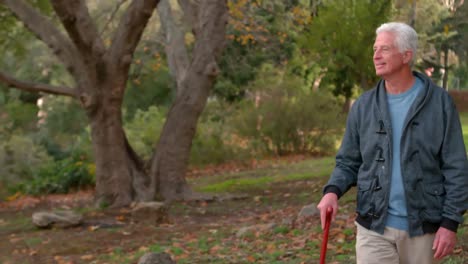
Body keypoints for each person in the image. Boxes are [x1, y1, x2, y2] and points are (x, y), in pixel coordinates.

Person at [317, 22, 468, 264]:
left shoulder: (440, 104)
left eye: (384, 49)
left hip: (423, 227)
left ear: (407, 55)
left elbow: (456, 166)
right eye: (375, 49)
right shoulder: (364, 106)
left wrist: (450, 223)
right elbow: (348, 161)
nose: (376, 55)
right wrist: (332, 192)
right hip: (373, 226)